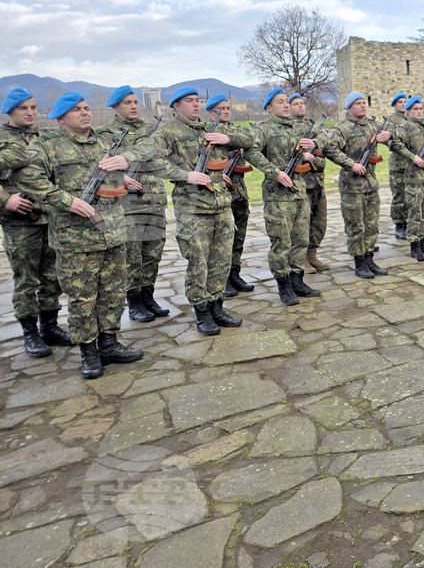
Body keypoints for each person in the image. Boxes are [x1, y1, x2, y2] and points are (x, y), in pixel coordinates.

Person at [16, 92, 144, 378]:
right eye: (76, 110)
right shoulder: (47, 146)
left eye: (86, 108)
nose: (84, 113)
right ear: (61, 118)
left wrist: (122, 177)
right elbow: (26, 178)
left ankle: (109, 343)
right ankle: (88, 352)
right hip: (76, 239)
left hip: (111, 231)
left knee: (112, 294)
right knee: (82, 299)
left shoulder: (103, 142)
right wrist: (66, 201)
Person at [139, 87, 254, 333]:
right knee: (198, 264)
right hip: (193, 210)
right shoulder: (168, 133)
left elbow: (249, 138)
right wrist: (185, 175)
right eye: (188, 101)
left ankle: (217, 307)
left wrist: (227, 139)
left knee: (221, 262)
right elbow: (150, 159)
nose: (194, 104)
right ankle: (202, 313)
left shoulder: (211, 128)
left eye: (196, 100)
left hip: (221, 206)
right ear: (176, 107)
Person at [0, 88, 70, 358]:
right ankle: (30, 333)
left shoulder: (44, 137)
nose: (30, 113)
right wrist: (5, 200)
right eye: (23, 109)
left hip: (49, 217)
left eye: (33, 108)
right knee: (26, 280)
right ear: (10, 112)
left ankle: (50, 327)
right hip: (19, 223)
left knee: (52, 277)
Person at [243, 88, 321, 306]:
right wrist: (274, 172)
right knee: (281, 243)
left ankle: (297, 281)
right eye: (280, 102)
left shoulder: (298, 127)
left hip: (299, 192)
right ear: (269, 107)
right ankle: (284, 285)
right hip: (277, 197)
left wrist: (311, 150)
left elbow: (322, 142)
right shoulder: (263, 128)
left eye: (287, 101)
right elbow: (249, 150)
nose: (286, 105)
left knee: (301, 240)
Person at [102, 85, 169, 324]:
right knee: (133, 257)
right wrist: (119, 178)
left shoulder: (148, 131)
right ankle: (134, 302)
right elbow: (95, 167)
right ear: (115, 107)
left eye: (135, 102)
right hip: (127, 205)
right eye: (127, 103)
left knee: (153, 253)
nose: (133, 106)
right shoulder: (104, 134)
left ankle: (148, 296)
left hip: (154, 199)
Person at [324, 91, 392, 278]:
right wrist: (351, 164)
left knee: (372, 225)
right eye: (358, 103)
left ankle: (369, 259)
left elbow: (393, 131)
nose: (363, 105)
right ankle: (359, 263)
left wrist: (389, 134)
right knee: (356, 226)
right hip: (352, 186)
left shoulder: (372, 124)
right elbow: (329, 147)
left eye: (364, 102)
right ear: (349, 107)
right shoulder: (341, 128)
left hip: (370, 183)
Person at [211, 95, 256, 298]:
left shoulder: (236, 130)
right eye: (221, 108)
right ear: (212, 112)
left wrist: (231, 139)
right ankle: (223, 279)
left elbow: (249, 140)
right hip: (220, 193)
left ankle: (235, 273)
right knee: (223, 240)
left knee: (239, 236)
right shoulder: (208, 131)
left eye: (228, 108)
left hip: (239, 191)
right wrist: (218, 175)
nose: (226, 111)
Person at [391, 96, 424, 259]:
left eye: (420, 109)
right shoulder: (404, 127)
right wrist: (412, 157)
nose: (419, 112)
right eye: (415, 109)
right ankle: (414, 245)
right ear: (407, 111)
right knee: (415, 211)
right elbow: (395, 144)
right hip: (414, 177)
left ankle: (423, 242)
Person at [289, 93, 329, 272]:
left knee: (319, 222)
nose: (300, 106)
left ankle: (312, 254)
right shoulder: (289, 128)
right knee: (302, 224)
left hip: (317, 182)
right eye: (296, 104)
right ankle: (301, 258)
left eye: (302, 103)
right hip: (300, 184)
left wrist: (314, 142)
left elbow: (323, 140)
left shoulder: (312, 127)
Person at [386, 92, 410, 240]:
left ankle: (409, 222)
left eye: (404, 101)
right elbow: (390, 142)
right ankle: (399, 225)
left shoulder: (411, 119)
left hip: (412, 165)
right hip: (398, 165)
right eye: (400, 102)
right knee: (399, 195)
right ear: (394, 105)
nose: (403, 104)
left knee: (411, 195)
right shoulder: (391, 121)